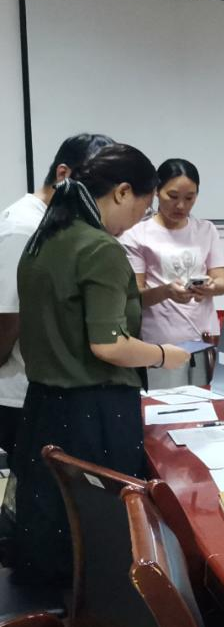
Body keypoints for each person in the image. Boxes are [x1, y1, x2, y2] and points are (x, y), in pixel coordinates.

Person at [13, 144, 189, 585]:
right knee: (106, 532)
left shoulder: (42, 242)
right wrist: (165, 354)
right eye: (142, 209)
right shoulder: (100, 248)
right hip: (94, 413)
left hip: (44, 407)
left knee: (58, 523)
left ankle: (65, 609)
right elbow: (109, 345)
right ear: (122, 192)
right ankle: (110, 613)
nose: (137, 222)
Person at [0, 133, 114, 458]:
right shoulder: (24, 228)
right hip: (22, 393)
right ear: (63, 174)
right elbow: (8, 316)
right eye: (94, 188)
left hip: (52, 388)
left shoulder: (58, 222)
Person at [120, 158, 224, 344]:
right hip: (159, 342)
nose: (180, 206)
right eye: (172, 196)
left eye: (189, 198)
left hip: (204, 336)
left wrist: (210, 287)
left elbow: (222, 283)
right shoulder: (137, 234)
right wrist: (166, 291)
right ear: (157, 191)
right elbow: (135, 297)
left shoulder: (206, 230)